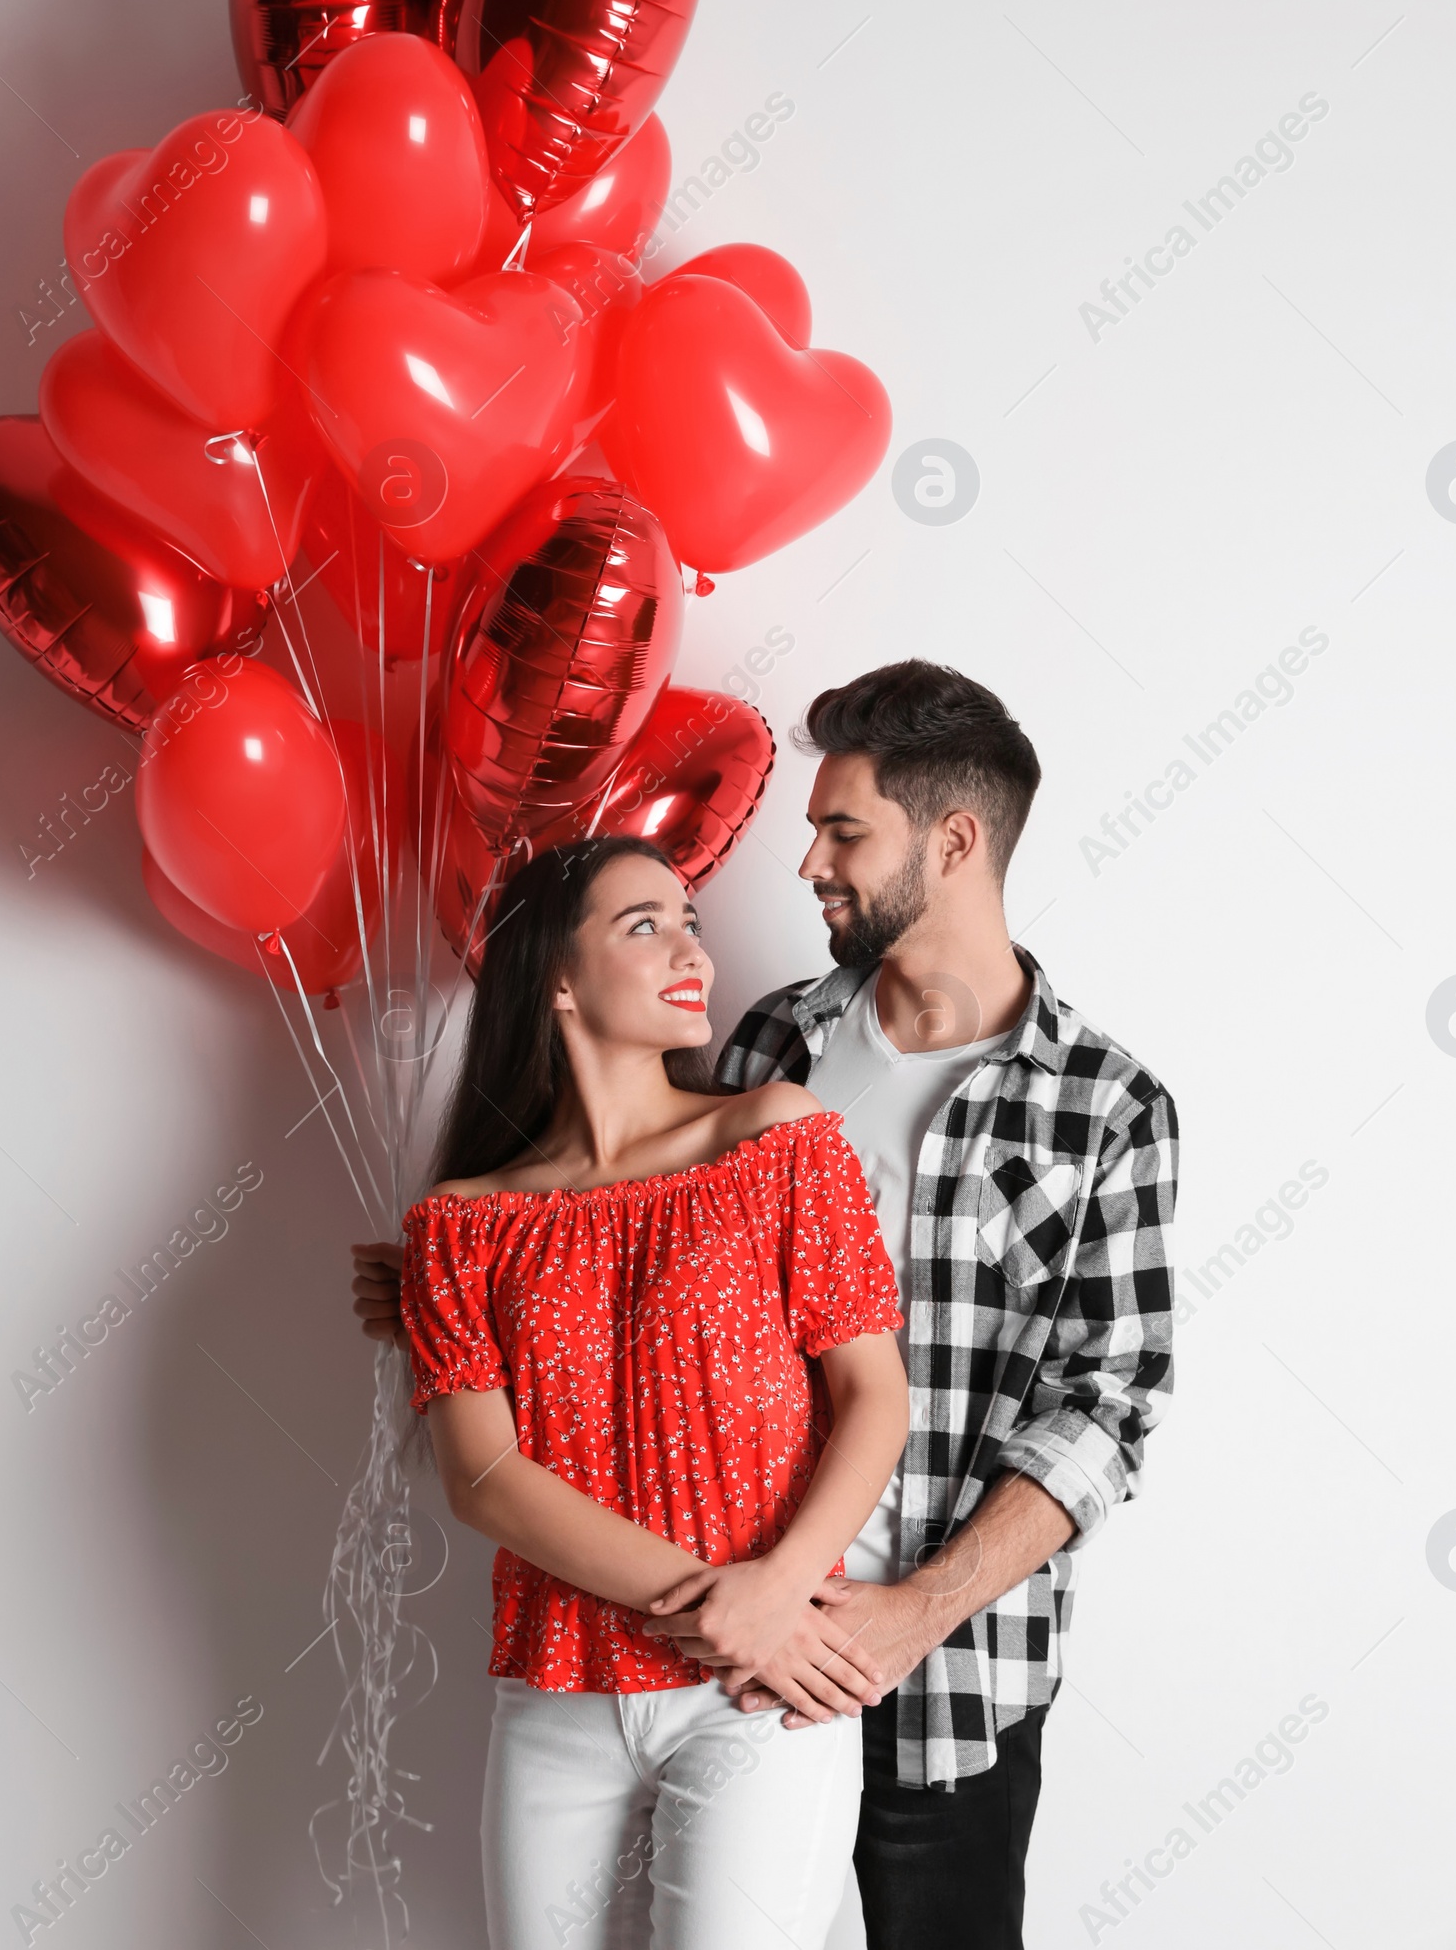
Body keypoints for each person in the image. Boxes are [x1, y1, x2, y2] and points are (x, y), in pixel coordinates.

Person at [661, 660, 1178, 1950]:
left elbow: (1107, 1409)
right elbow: (652, 1291)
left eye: (843, 830)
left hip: (949, 1680)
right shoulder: (768, 1051)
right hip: (726, 1652)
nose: (807, 866)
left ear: (953, 841)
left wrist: (914, 1614)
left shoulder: (1107, 1106)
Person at [351, 834, 910, 1950]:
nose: (688, 948)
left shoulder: (778, 1140)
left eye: (689, 921)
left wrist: (778, 1592)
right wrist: (722, 1600)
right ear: (554, 978)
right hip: (559, 1690)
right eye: (642, 925)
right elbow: (486, 1479)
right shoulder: (464, 1223)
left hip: (757, 1686)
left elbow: (874, 1398)